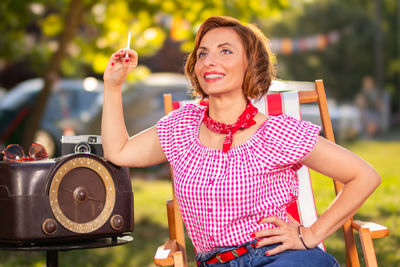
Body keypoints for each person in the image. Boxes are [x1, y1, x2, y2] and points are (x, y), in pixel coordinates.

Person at [102, 16, 381, 267]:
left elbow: (364, 176)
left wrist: (310, 235)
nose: (209, 61)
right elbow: (119, 152)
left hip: (278, 258)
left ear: (251, 64)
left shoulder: (277, 134)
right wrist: (113, 85)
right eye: (202, 54)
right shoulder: (182, 127)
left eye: (225, 51)